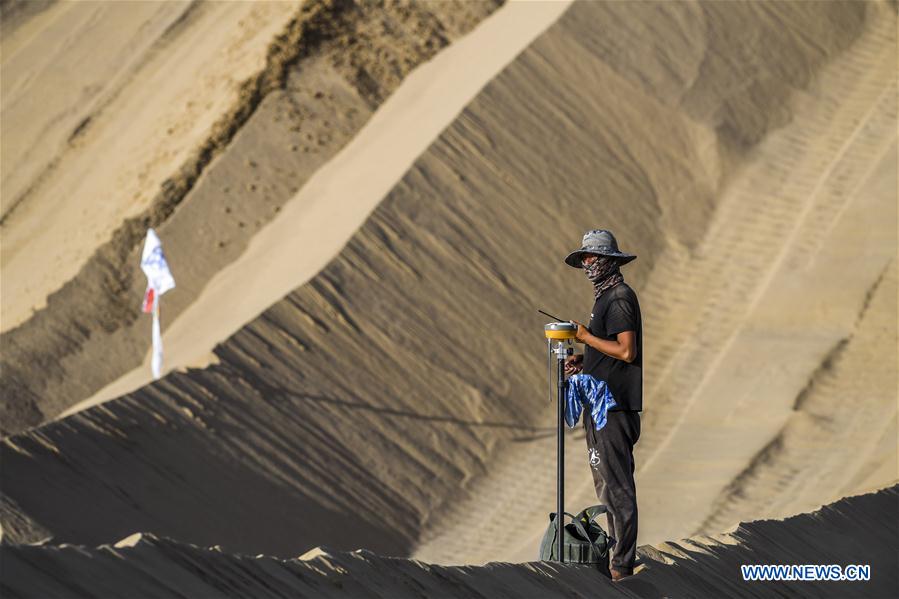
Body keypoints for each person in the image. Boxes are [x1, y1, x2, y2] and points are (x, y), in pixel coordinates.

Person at [563, 229, 642, 581]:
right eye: (584, 259)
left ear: (609, 261)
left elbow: (627, 351)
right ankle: (615, 559)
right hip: (598, 406)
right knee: (606, 486)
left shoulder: (620, 298)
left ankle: (622, 565)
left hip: (614, 409)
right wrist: (585, 359)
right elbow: (609, 351)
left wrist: (585, 337)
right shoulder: (604, 299)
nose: (587, 265)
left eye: (592, 258)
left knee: (618, 488)